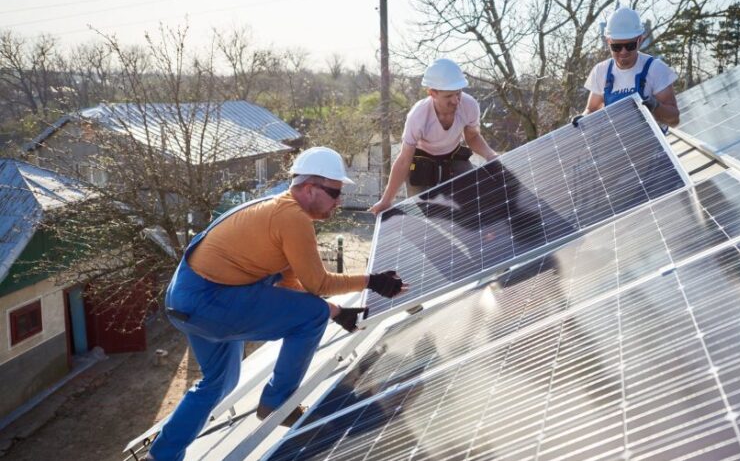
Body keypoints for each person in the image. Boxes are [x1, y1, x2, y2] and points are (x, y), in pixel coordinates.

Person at [146, 147, 408, 461]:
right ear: (310, 188)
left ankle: (162, 456)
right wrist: (372, 280)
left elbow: (289, 283)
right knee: (310, 315)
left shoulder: (273, 207)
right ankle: (277, 401)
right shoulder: (292, 216)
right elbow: (318, 284)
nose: (339, 201)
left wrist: (336, 312)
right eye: (335, 192)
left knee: (218, 383)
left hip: (185, 299)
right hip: (210, 299)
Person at [369, 58, 499, 215]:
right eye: (448, 96)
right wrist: (386, 200)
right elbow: (404, 160)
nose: (455, 100)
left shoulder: (469, 105)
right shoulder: (418, 116)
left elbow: (472, 137)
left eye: (458, 93)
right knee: (424, 213)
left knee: (473, 198)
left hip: (452, 155)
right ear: (432, 93)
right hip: (421, 160)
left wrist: (490, 155)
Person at [577, 7, 680, 129]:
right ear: (608, 42)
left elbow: (674, 120)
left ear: (640, 40)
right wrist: (583, 118)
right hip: (615, 143)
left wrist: (657, 107)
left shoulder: (656, 69)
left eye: (630, 45)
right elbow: (591, 109)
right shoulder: (601, 71)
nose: (623, 52)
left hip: (651, 145)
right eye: (617, 47)